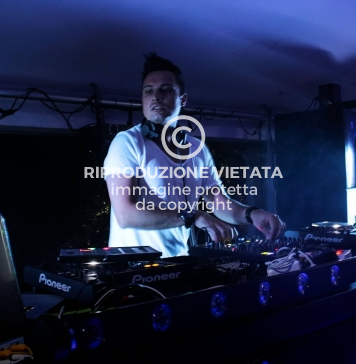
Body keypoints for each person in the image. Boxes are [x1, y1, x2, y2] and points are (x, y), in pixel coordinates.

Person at [103, 53, 285, 257]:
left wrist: (252, 214)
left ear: (183, 99)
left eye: (165, 89)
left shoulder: (197, 148)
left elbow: (219, 203)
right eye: (148, 91)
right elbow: (126, 215)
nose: (156, 97)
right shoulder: (127, 142)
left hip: (179, 262)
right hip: (132, 266)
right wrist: (193, 216)